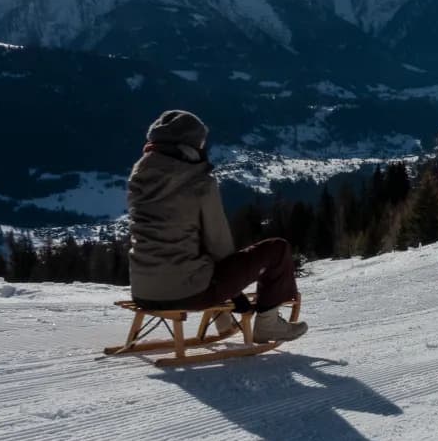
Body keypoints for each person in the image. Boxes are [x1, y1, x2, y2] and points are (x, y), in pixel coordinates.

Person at [127, 109, 307, 343]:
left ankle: (224, 323)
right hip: (188, 292)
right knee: (277, 249)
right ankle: (269, 325)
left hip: (143, 290)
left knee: (194, 256)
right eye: (201, 142)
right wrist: (236, 290)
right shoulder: (198, 181)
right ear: (190, 144)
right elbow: (219, 245)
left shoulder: (138, 177)